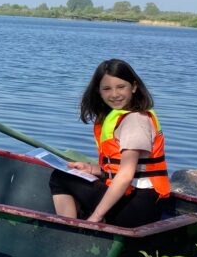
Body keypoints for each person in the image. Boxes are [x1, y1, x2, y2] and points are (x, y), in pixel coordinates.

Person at [50, 58, 171, 226]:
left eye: (121, 87)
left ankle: (70, 230)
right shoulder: (124, 117)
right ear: (99, 92)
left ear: (134, 87)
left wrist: (96, 217)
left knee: (60, 178)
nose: (114, 94)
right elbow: (132, 168)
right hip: (141, 203)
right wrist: (92, 169)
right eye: (107, 89)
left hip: (137, 209)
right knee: (71, 174)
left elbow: (126, 175)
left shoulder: (135, 121)